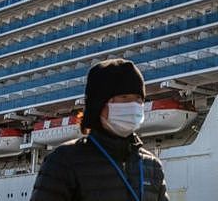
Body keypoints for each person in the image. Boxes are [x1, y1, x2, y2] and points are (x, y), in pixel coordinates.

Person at [30, 58, 169, 201]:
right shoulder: (64, 161)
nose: (133, 105)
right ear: (99, 104)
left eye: (139, 99)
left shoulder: (151, 165)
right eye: (124, 97)